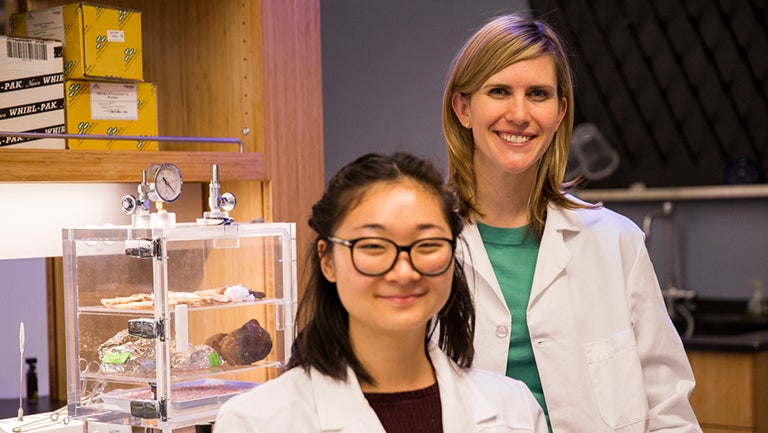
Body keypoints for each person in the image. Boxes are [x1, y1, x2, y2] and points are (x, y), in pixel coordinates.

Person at [442, 13, 702, 433]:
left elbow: (669, 409)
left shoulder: (615, 242)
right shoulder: (423, 246)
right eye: (499, 91)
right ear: (463, 107)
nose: (520, 113)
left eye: (539, 94)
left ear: (560, 112)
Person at [215, 152, 548, 433]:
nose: (404, 271)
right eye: (373, 246)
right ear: (328, 260)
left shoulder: (513, 410)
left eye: (428, 244)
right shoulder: (256, 422)